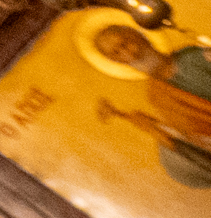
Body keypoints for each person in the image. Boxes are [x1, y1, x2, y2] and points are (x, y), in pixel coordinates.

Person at [86, 22, 211, 188]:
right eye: (117, 54)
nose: (130, 55)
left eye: (125, 44)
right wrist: (158, 131)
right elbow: (197, 136)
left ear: (139, 36)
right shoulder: (157, 96)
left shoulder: (193, 56)